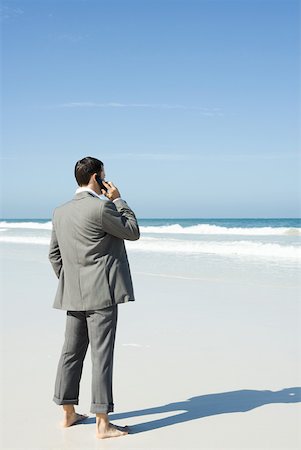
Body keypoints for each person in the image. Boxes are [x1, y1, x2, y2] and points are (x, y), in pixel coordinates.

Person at [48, 156, 140, 439]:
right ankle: (103, 423)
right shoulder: (102, 208)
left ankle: (68, 414)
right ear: (96, 177)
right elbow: (132, 231)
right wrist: (119, 200)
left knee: (70, 354)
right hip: (101, 295)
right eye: (104, 176)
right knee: (102, 356)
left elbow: (54, 255)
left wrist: (72, 282)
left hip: (73, 294)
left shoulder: (59, 212)